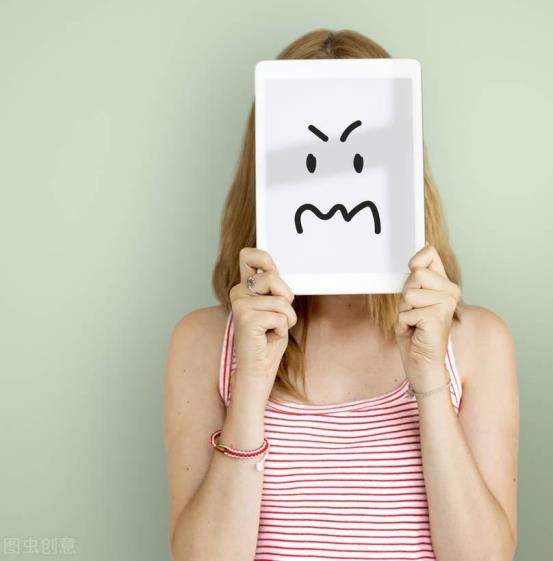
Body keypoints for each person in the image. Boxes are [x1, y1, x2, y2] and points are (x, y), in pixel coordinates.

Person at [164, 28, 519, 561]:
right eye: (309, 160)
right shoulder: (203, 342)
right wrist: (251, 385)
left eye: (360, 159)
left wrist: (430, 384)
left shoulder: (476, 343)